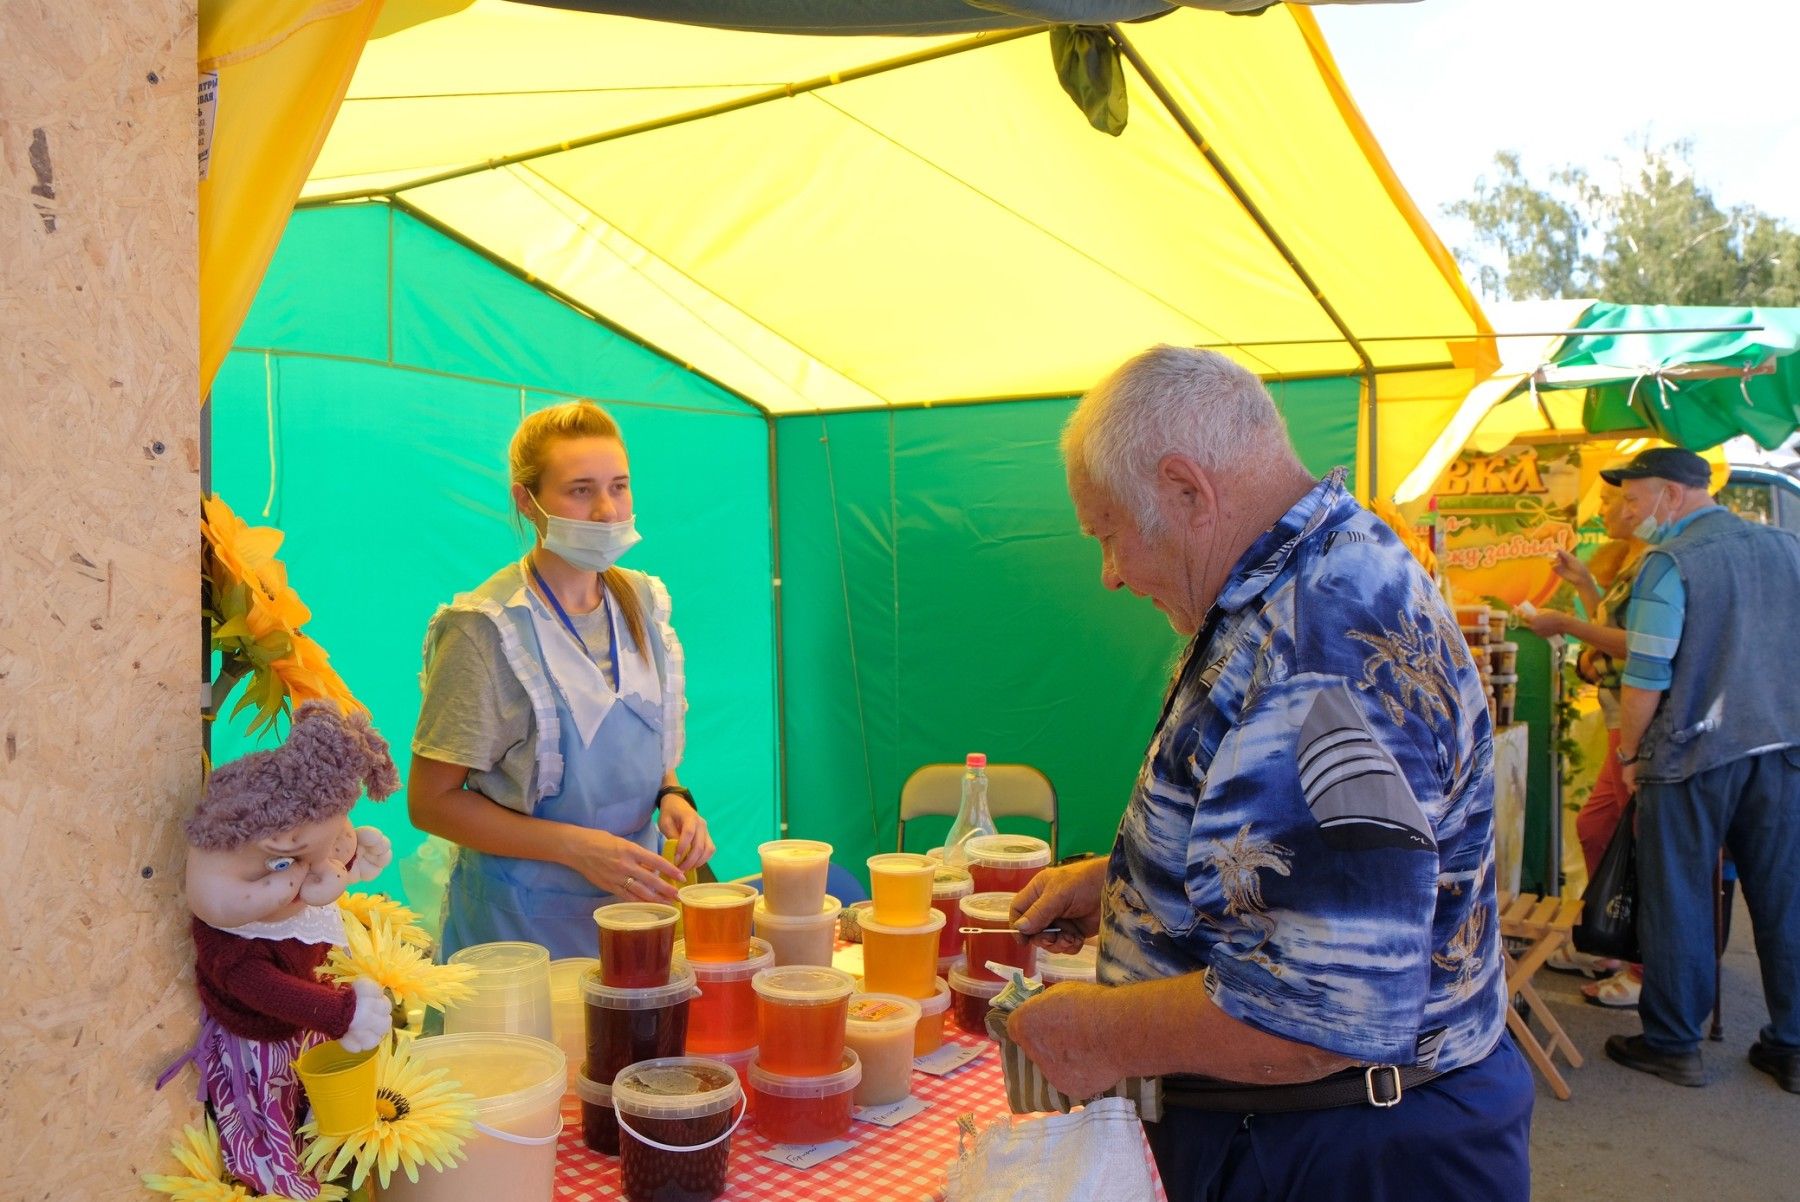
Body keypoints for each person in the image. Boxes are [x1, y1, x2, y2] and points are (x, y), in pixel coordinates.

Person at [1007, 347, 1531, 1200]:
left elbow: (1315, 1017)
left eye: (1107, 533)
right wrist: (1130, 883)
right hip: (1339, 1133)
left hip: (1349, 1152)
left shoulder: (1317, 642)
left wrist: (1100, 1030)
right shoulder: (1310, 571)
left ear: (1187, 490)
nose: (1109, 575)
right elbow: (1322, 863)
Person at [410, 401, 712, 960]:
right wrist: (574, 847)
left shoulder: (643, 603)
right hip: (518, 932)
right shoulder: (487, 630)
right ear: (528, 501)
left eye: (618, 487)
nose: (606, 510)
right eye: (580, 490)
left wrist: (672, 794)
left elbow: (631, 733)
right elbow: (431, 803)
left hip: (633, 917)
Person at [1598, 447, 1800, 1094]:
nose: (1630, 511)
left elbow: (1646, 676)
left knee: (1680, 898)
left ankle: (1673, 1043)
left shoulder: (1671, 561)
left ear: (1673, 495)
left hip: (1690, 753)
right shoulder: (1789, 548)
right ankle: (1793, 1048)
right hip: (1781, 747)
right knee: (1786, 898)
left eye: (1635, 498)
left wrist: (1629, 756)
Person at [169, 700, 399, 1199]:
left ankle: (324, 1155)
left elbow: (320, 877)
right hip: (258, 1044)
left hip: (304, 1031)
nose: (324, 882)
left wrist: (351, 854)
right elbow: (264, 990)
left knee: (314, 1106)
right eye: (282, 866)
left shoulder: (296, 897)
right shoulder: (236, 946)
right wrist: (338, 1012)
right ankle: (273, 1177)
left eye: (331, 846)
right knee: (265, 1112)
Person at [1524, 482, 1648, 1006]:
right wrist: (1585, 585)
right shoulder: (1635, 561)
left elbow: (1639, 644)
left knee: (1642, 846)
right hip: (1622, 713)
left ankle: (1641, 968)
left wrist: (1569, 623)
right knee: (1596, 826)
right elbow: (1611, 627)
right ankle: (1608, 935)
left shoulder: (1658, 564)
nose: (1603, 508)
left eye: (1614, 499)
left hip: (1640, 721)